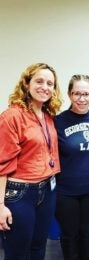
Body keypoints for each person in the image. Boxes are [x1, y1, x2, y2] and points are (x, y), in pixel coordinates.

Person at [0, 63, 62, 259]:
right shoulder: (12, 116)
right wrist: (0, 206)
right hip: (20, 194)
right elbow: (2, 164)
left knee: (38, 248)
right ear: (26, 84)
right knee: (18, 252)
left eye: (50, 83)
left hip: (47, 191)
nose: (45, 87)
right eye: (39, 81)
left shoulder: (47, 115)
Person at [54, 75, 89, 260]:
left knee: (87, 233)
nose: (82, 98)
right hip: (66, 190)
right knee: (69, 234)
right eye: (77, 93)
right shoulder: (58, 121)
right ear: (69, 94)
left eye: (86, 94)